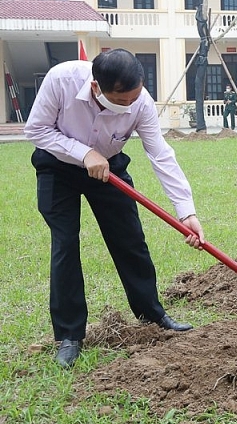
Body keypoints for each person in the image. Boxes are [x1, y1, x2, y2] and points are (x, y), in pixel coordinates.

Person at [23, 49, 206, 369]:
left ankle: (152, 314)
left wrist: (186, 211)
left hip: (109, 168)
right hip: (57, 166)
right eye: (122, 102)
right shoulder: (61, 80)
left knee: (130, 239)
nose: (130, 107)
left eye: (134, 99)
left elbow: (160, 154)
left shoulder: (141, 102)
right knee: (65, 243)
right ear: (96, 88)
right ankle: (69, 335)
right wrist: (83, 154)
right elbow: (36, 130)